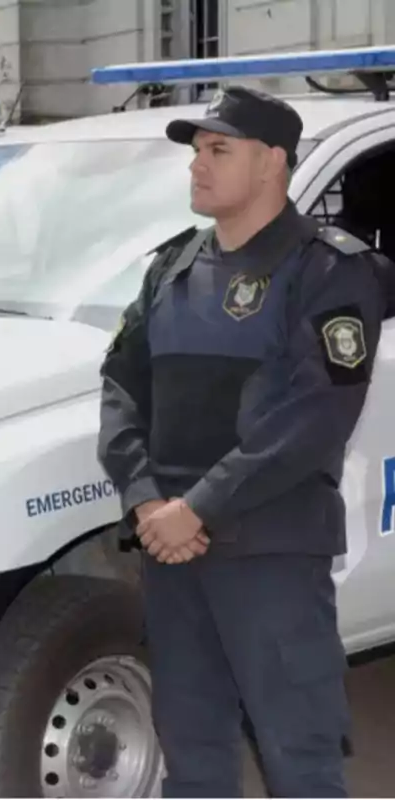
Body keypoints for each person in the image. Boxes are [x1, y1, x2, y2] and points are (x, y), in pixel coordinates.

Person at [96, 86, 392, 798]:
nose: (198, 165)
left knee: (300, 755)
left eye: (217, 150)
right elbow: (120, 391)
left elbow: (313, 416)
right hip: (173, 555)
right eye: (197, 151)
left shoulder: (328, 270)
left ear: (272, 162)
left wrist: (195, 509)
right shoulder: (171, 269)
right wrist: (145, 502)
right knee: (193, 753)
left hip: (270, 559)